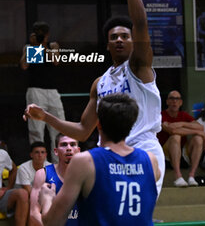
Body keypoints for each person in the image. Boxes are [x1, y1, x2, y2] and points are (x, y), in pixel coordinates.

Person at [24, 0, 165, 195]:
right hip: (108, 154)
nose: (119, 39)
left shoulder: (140, 67)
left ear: (133, 41)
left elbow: (140, 22)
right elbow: (82, 130)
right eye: (114, 37)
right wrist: (46, 116)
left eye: (125, 36)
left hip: (142, 151)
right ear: (107, 45)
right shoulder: (100, 83)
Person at [38, 94, 160, 226]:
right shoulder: (150, 160)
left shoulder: (85, 162)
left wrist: (47, 198)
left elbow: (52, 222)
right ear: (132, 124)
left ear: (99, 124)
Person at [20, 21, 66, 163]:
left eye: (42, 33)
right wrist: (34, 48)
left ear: (47, 34)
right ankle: (39, 166)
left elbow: (56, 61)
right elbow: (24, 66)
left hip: (52, 91)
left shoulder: (52, 45)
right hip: (35, 90)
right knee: (36, 130)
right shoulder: (29, 47)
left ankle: (59, 165)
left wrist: (42, 46)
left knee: (58, 128)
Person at [30, 134, 80, 226]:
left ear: (78, 150)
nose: (69, 148)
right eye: (64, 145)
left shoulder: (88, 174)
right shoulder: (43, 174)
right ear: (56, 151)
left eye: (73, 144)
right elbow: (34, 213)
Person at [157, 90, 205, 187]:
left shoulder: (183, 115)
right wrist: (194, 131)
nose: (174, 101)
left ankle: (191, 176)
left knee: (198, 139)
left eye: (177, 99)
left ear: (181, 102)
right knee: (176, 137)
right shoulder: (161, 115)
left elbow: (201, 127)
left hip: (182, 152)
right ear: (167, 102)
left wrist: (182, 124)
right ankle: (178, 176)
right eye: (172, 98)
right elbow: (172, 131)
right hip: (166, 154)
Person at [0, 148, 29, 226]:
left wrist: (9, 187)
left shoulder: (2, 154)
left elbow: (14, 169)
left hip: (1, 197)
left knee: (22, 194)